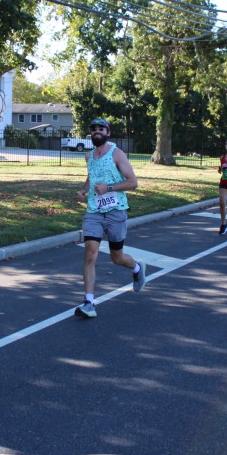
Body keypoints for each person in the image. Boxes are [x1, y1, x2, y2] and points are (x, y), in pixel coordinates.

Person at [75, 118, 146, 318]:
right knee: (90, 253)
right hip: (94, 211)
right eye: (93, 129)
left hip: (116, 211)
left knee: (117, 258)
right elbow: (92, 177)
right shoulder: (89, 156)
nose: (96, 131)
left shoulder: (117, 154)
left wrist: (109, 188)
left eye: (101, 128)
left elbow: (133, 182)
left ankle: (137, 267)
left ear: (108, 132)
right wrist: (84, 190)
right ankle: (89, 302)